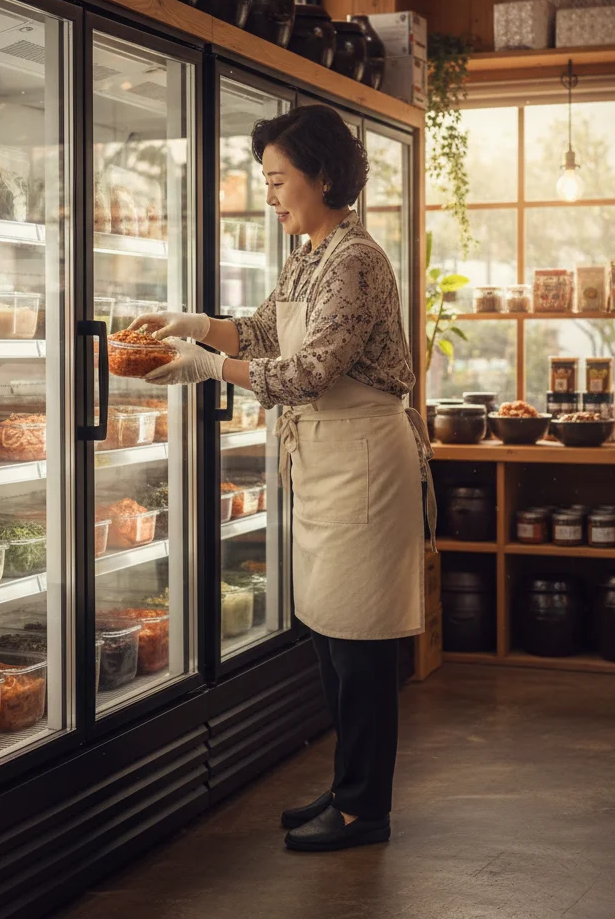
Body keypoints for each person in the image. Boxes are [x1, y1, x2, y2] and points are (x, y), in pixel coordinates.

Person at [132, 103, 435, 852]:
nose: (269, 194)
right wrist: (198, 325)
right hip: (328, 458)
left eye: (277, 179)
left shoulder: (357, 260)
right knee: (332, 637)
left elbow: (307, 369)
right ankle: (346, 788)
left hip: (363, 455)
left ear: (322, 176)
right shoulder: (309, 253)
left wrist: (209, 369)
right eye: (264, 180)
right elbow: (267, 333)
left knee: (361, 644)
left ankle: (366, 810)